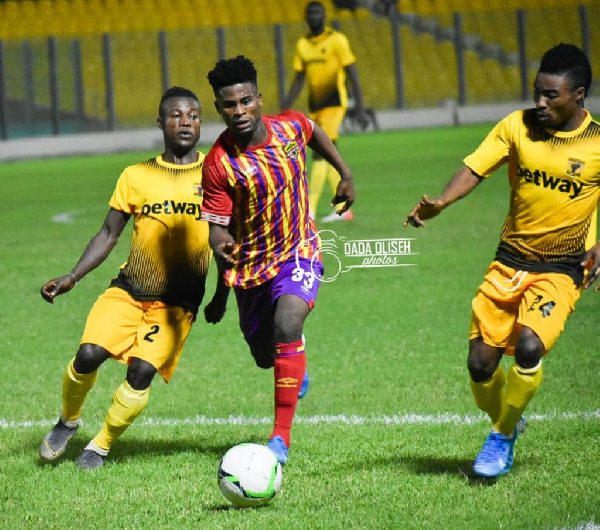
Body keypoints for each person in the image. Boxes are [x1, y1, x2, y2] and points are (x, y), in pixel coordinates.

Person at [404, 43, 600, 478]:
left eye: (552, 95)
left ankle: (502, 434)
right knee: (480, 365)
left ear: (579, 94)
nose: (540, 102)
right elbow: (475, 168)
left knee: (530, 345)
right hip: (509, 261)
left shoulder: (596, 143)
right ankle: (507, 421)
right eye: (537, 92)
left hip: (562, 268)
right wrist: (442, 202)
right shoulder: (516, 126)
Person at [39, 86, 229, 470]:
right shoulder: (136, 175)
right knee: (87, 355)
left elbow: (227, 241)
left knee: (141, 371)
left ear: (201, 122)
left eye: (192, 115)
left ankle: (102, 444)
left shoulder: (215, 175)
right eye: (176, 116)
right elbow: (109, 233)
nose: (185, 122)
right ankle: (68, 421)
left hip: (178, 304)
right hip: (128, 291)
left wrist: (222, 295)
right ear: (161, 123)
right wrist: (73, 275)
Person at [202, 55, 356, 465]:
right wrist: (220, 254)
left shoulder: (289, 126)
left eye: (246, 101)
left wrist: (344, 171)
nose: (239, 111)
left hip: (299, 250)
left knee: (287, 322)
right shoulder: (219, 162)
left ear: (259, 99)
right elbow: (218, 227)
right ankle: (293, 353)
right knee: (263, 355)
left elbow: (315, 132)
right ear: (219, 108)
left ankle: (279, 439)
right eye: (229, 105)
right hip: (251, 266)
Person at [281, 0, 368, 223]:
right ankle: (343, 208)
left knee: (319, 154)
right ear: (306, 17)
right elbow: (299, 78)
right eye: (311, 13)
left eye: (319, 12)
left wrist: (359, 107)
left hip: (335, 104)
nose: (315, 16)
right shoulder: (302, 44)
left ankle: (308, 211)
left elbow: (353, 73)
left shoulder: (337, 40)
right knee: (330, 155)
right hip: (315, 106)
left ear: (325, 16)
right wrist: (286, 105)